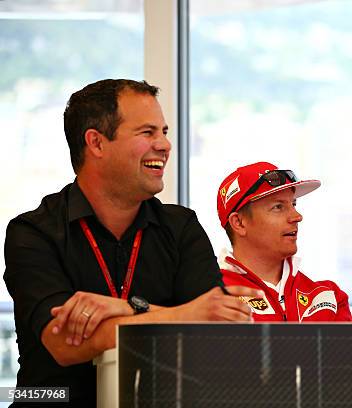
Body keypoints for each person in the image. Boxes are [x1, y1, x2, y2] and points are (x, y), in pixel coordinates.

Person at [3, 79, 260, 406]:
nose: (165, 145)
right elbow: (64, 344)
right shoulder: (33, 232)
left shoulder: (181, 227)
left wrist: (127, 309)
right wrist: (183, 315)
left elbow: (215, 334)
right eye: (147, 132)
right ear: (96, 142)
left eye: (164, 131)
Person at [216, 162, 352, 322]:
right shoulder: (210, 293)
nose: (296, 216)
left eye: (293, 204)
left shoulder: (326, 295)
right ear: (239, 223)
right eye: (278, 207)